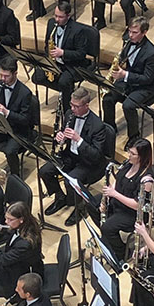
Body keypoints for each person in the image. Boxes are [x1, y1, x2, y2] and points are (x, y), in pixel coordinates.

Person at [41, 87, 107, 226]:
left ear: (86, 105)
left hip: (87, 162)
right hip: (70, 155)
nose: (72, 108)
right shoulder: (70, 114)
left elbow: (96, 155)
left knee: (70, 181)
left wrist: (79, 140)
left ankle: (80, 208)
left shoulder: (97, 126)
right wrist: (60, 137)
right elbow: (65, 134)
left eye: (76, 106)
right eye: (71, 105)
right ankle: (60, 197)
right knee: (45, 171)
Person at [102, 16, 154, 144]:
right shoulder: (128, 42)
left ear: (144, 32)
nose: (130, 35)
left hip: (147, 87)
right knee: (108, 97)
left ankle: (134, 138)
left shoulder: (151, 53)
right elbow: (124, 59)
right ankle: (110, 129)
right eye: (129, 31)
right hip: (130, 81)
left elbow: (147, 78)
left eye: (134, 32)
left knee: (128, 106)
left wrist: (125, 75)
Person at [0, 56, 37, 176]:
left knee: (10, 151)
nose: (3, 79)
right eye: (1, 75)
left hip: (18, 131)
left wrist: (6, 112)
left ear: (15, 74)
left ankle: (16, 177)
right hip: (0, 128)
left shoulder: (25, 93)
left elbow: (25, 120)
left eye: (6, 76)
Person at [100, 138, 154, 262]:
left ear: (142, 156)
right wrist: (107, 196)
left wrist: (114, 194)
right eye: (129, 152)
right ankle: (110, 239)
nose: (129, 155)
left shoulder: (146, 180)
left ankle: (122, 253)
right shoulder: (128, 164)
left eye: (133, 154)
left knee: (107, 227)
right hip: (119, 203)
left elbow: (137, 205)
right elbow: (118, 179)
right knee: (92, 204)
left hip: (132, 213)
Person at [32, 1, 91, 112]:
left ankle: (66, 109)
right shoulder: (51, 24)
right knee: (37, 76)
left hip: (71, 64)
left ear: (68, 16)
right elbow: (46, 44)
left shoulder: (78, 30)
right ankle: (64, 92)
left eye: (60, 17)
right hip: (54, 62)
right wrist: (49, 55)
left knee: (64, 82)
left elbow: (81, 54)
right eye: (55, 16)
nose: (57, 19)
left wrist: (63, 53)